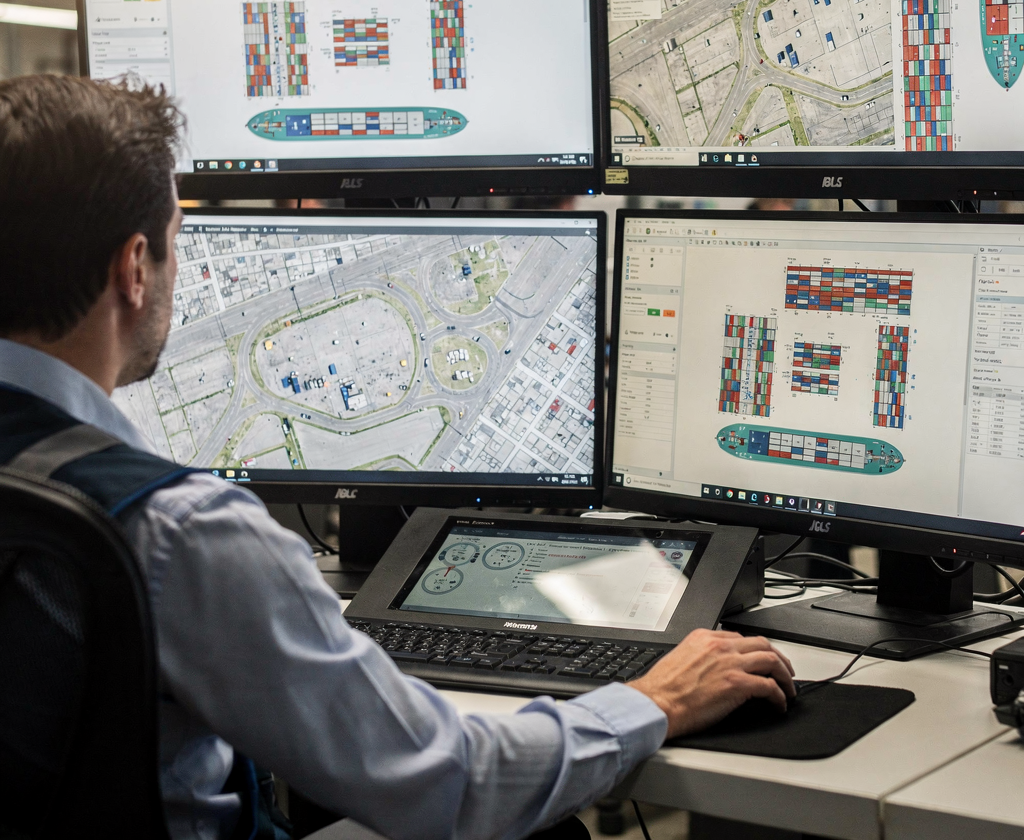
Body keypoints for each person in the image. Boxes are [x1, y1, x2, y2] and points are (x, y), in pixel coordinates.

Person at [0, 75, 796, 840]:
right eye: (178, 244)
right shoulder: (180, 533)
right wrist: (655, 698)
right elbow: (456, 788)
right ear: (133, 269)